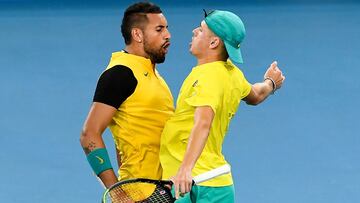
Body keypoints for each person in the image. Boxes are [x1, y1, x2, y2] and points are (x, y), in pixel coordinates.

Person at [159, 10, 285, 202]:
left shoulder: (207, 77)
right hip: (219, 182)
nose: (194, 31)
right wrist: (270, 83)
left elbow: (203, 123)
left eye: (201, 30)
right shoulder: (232, 74)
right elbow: (256, 95)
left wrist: (185, 169)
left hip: (193, 186)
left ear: (213, 42)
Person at [80, 1, 174, 188]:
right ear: (137, 34)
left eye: (167, 28)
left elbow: (124, 135)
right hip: (142, 193)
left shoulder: (153, 74)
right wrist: (116, 191)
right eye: (159, 29)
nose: (167, 35)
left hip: (165, 189)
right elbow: (89, 135)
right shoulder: (120, 74)